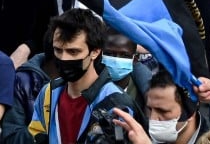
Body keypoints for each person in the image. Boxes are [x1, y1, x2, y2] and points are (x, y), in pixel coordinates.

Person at [27, 9, 145, 143]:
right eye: (58, 50)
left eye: (73, 51)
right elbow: (35, 135)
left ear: (95, 52)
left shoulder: (117, 104)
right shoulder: (48, 93)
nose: (63, 58)